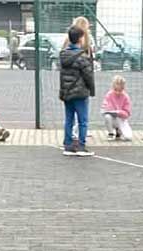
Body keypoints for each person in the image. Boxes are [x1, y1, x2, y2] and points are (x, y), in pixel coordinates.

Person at [60, 25, 96, 156]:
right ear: (81, 39)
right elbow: (88, 76)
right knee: (83, 121)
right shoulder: (83, 56)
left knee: (69, 119)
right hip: (80, 92)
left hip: (67, 92)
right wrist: (91, 90)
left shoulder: (63, 55)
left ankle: (68, 145)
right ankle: (81, 146)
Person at [102, 75, 134, 141]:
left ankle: (119, 131)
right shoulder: (109, 95)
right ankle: (111, 133)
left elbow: (127, 113)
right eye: (116, 90)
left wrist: (119, 112)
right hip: (112, 117)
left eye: (120, 90)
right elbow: (105, 107)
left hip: (121, 118)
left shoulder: (126, 97)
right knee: (107, 116)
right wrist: (109, 110)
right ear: (113, 87)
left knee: (128, 137)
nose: (118, 92)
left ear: (123, 88)